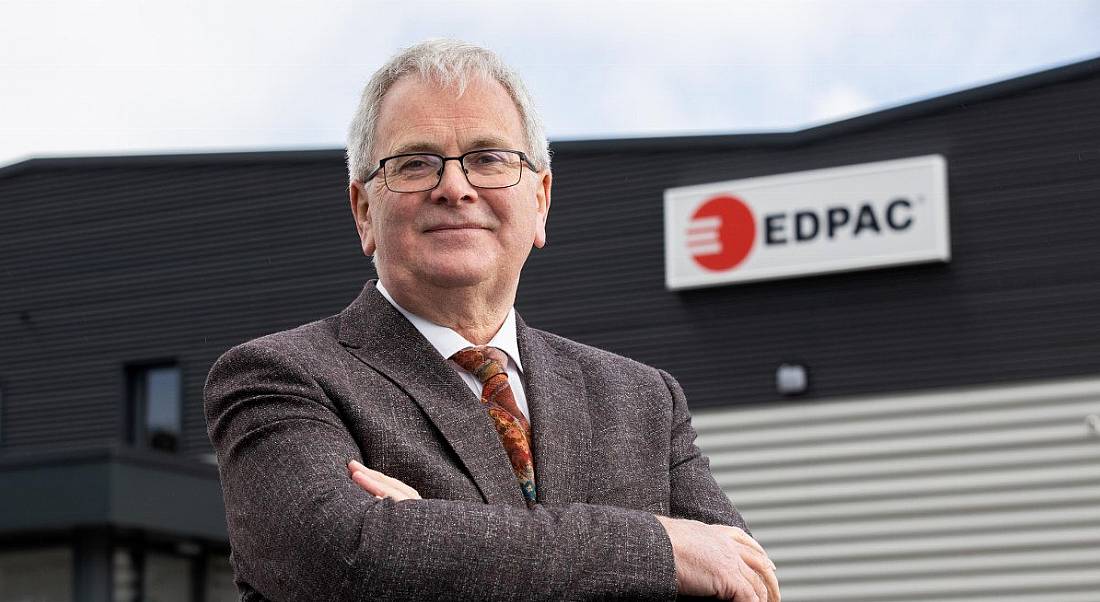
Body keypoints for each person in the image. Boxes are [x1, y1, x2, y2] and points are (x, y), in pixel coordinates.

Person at [204, 39, 779, 601]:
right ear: (363, 212)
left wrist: (430, 541)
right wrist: (658, 550)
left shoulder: (643, 400)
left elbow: (744, 582)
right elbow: (340, 561)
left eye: (488, 159)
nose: (454, 188)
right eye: (414, 164)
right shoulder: (277, 378)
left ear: (541, 201)